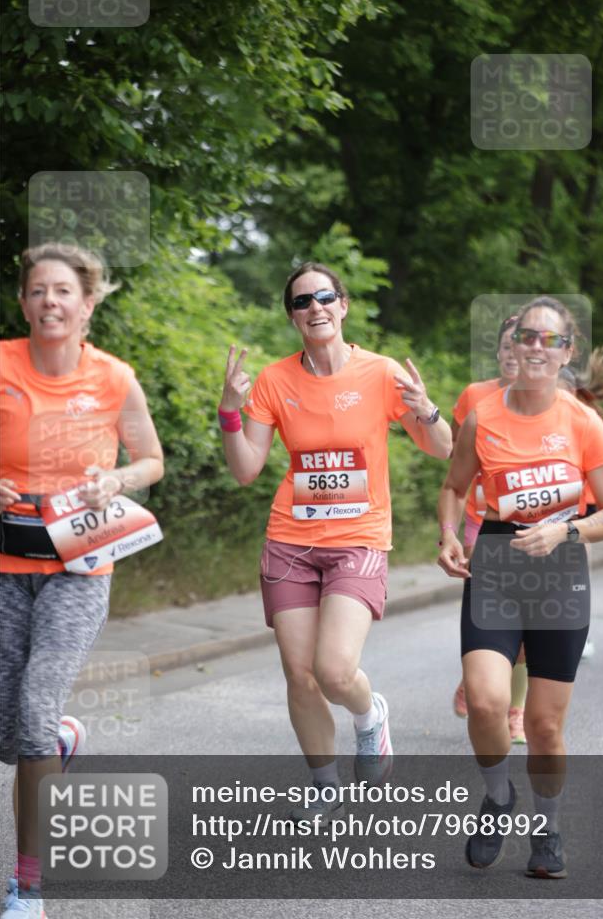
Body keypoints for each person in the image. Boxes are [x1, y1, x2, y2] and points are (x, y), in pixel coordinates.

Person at [219, 262, 451, 820]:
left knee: (335, 671)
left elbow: (442, 448)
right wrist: (229, 410)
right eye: (302, 301)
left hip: (359, 538)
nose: (315, 307)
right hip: (290, 541)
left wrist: (427, 410)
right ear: (293, 316)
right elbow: (247, 469)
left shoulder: (381, 373)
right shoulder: (275, 381)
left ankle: (370, 717)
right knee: (299, 674)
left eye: (325, 296)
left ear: (343, 306)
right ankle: (324, 785)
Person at [0, 243, 164, 919]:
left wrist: (115, 480)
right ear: (23, 303)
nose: (50, 302)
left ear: (88, 304)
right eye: (38, 290)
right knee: (12, 735)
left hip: (80, 566)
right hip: (6, 565)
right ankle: (59, 741)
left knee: (33, 710)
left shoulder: (114, 378)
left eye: (63, 291)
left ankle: (25, 888)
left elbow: (149, 459)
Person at [438, 296, 603, 878]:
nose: (537, 348)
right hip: (496, 564)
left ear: (566, 352)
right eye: (527, 337)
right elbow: (453, 487)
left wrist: (564, 531)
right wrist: (449, 534)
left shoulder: (582, 421)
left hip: (561, 573)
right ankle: (498, 799)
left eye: (551, 340)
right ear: (513, 346)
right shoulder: (483, 415)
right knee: (488, 701)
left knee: (545, 727)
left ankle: (547, 828)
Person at [450, 315, 528, 744]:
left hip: (535, 532)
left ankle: (513, 705)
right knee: (490, 619)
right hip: (483, 526)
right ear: (498, 353)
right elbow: (457, 468)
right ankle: (487, 685)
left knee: (529, 632)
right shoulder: (475, 397)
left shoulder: (553, 401)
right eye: (506, 346)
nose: (515, 353)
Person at [557, 347, 603, 660]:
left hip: (581, 504)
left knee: (574, 568)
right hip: (542, 508)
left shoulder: (589, 419)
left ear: (573, 391)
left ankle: (577, 628)